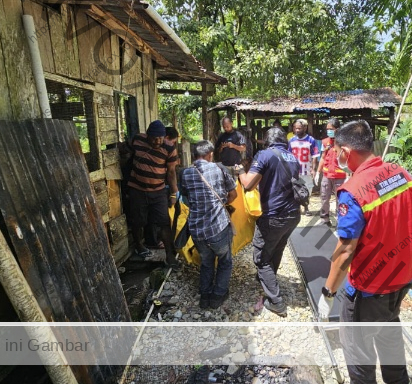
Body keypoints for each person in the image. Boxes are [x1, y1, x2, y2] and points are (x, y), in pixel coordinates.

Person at [318, 120, 412, 384]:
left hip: (370, 286)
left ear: (346, 152)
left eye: (337, 151)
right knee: (388, 327)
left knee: (357, 346)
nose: (337, 157)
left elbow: (345, 250)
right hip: (403, 276)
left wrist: (328, 293)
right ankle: (398, 383)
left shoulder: (352, 191)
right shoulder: (402, 174)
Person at [238, 127, 301, 317]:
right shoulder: (293, 157)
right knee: (277, 248)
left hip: (274, 216)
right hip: (293, 214)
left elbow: (248, 184)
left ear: (267, 141)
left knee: (261, 258)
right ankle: (267, 278)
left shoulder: (264, 155)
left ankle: (276, 302)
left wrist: (240, 171)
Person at [181, 140, 237, 309]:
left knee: (206, 262)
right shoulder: (220, 168)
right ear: (210, 154)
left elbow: (186, 198)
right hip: (218, 227)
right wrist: (221, 203)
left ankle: (205, 296)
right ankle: (218, 295)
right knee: (225, 261)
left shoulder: (185, 173)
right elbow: (233, 194)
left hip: (197, 230)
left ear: (195, 155)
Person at [126, 120, 181, 270]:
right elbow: (126, 150)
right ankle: (139, 246)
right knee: (138, 221)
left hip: (158, 191)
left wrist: (174, 193)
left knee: (164, 222)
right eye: (154, 138)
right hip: (137, 189)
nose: (158, 141)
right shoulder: (138, 139)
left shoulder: (169, 148)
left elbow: (171, 172)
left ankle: (169, 255)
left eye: (160, 138)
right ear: (148, 135)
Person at [314, 118, 346, 226]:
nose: (329, 131)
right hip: (327, 175)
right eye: (327, 129)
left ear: (337, 129)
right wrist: (318, 172)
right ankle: (325, 219)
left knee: (340, 199)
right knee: (324, 197)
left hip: (340, 176)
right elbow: (323, 158)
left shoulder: (344, 141)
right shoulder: (325, 142)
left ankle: (340, 220)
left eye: (331, 129)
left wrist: (349, 175)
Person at [288, 119, 319, 215]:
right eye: (295, 128)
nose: (297, 130)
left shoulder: (311, 140)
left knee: (308, 188)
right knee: (295, 188)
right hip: (295, 170)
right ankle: (297, 208)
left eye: (299, 128)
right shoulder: (291, 140)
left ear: (305, 128)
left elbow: (314, 156)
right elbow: (288, 155)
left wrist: (313, 169)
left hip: (306, 169)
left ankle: (306, 206)